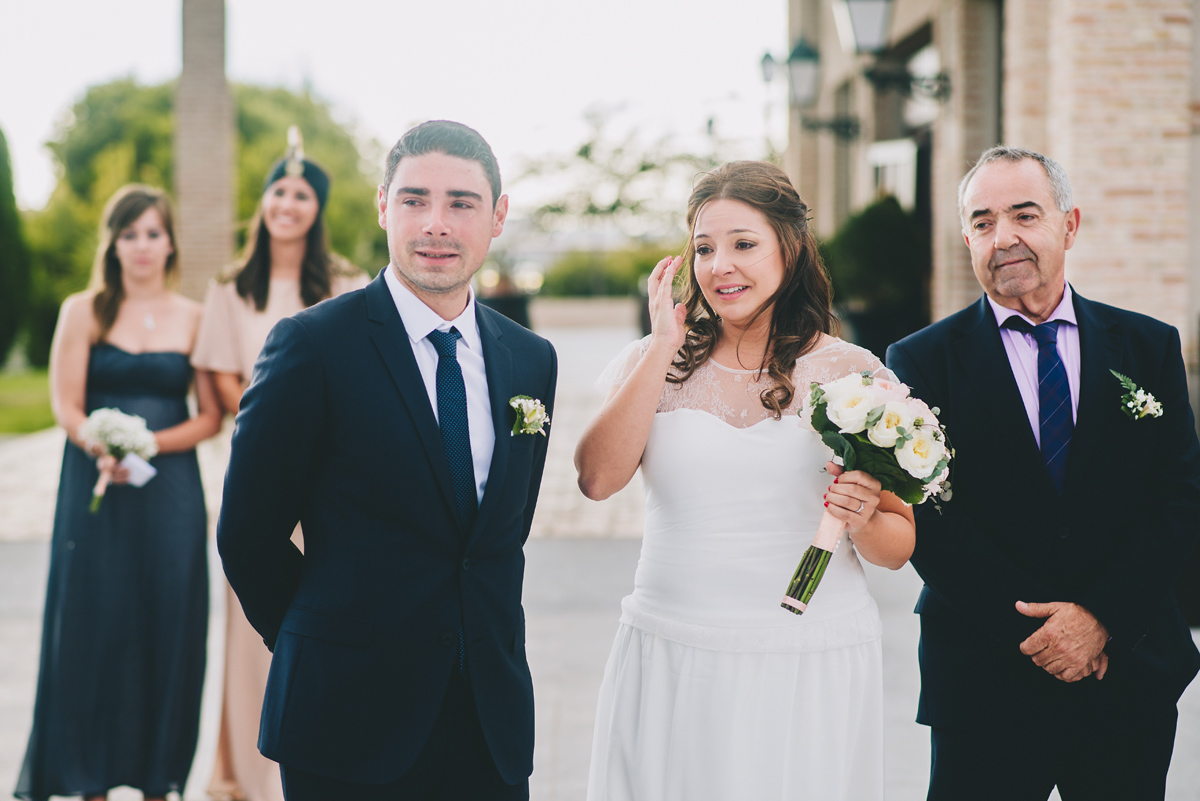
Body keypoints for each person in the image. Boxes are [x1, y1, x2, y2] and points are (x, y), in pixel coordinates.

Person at [216, 120, 557, 800]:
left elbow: (500, 534)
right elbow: (247, 533)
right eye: (414, 200)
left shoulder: (530, 359)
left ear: (497, 216)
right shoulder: (311, 346)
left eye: (461, 202)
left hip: (489, 719)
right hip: (345, 717)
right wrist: (324, 641)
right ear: (382, 206)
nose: (436, 223)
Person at [577, 160, 916, 800]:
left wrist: (865, 514)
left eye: (743, 244)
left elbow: (897, 547)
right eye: (703, 248)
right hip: (673, 645)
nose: (719, 265)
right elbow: (596, 479)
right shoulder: (654, 360)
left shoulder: (852, 373)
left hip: (806, 654)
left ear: (789, 248)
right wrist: (660, 347)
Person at [886, 146, 1200, 800]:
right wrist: (1045, 631)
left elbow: (1177, 497)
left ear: (1069, 225)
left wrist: (1100, 618)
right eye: (982, 222)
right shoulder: (920, 361)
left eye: (1024, 215)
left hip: (1126, 669)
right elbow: (933, 520)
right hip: (984, 676)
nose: (1003, 238)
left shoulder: (1148, 346)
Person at [15, 185, 222, 801]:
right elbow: (64, 403)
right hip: (94, 484)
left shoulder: (195, 316)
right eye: (129, 234)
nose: (141, 246)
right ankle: (88, 779)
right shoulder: (84, 310)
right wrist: (101, 444)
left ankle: (160, 778)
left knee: (167, 621)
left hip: (170, 494)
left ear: (170, 242)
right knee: (93, 622)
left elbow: (211, 414)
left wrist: (151, 444)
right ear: (113, 244)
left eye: (153, 233)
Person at [191, 129, 367, 801]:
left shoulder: (347, 281)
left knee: (329, 611)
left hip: (333, 479)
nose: (288, 203)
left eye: (302, 193)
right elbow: (220, 384)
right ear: (263, 202)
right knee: (253, 622)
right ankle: (252, 777)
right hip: (263, 477)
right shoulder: (231, 288)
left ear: (317, 208)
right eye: (279, 191)